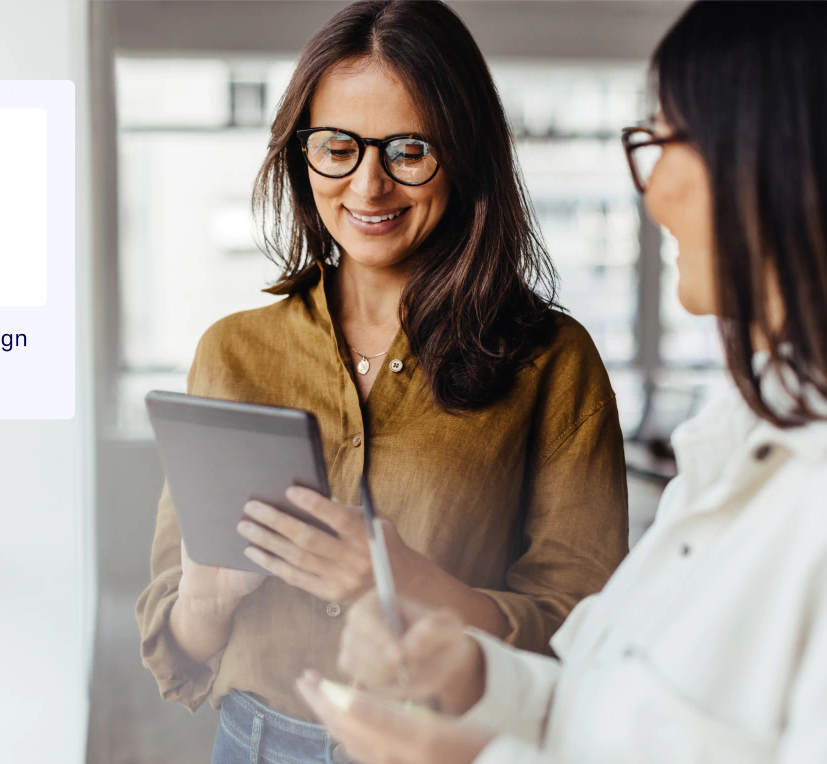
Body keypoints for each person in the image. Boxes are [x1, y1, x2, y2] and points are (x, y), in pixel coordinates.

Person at [297, 2, 827, 762]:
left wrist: (470, 760)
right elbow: (614, 713)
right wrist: (478, 676)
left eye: (676, 139)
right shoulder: (739, 444)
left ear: (801, 166)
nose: (654, 187)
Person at [135, 2, 630, 762]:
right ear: (302, 154)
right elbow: (178, 646)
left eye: (408, 150)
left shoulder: (553, 363)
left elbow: (584, 633)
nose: (368, 186)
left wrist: (408, 582)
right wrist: (207, 598)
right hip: (255, 743)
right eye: (338, 146)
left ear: (462, 155)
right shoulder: (233, 351)